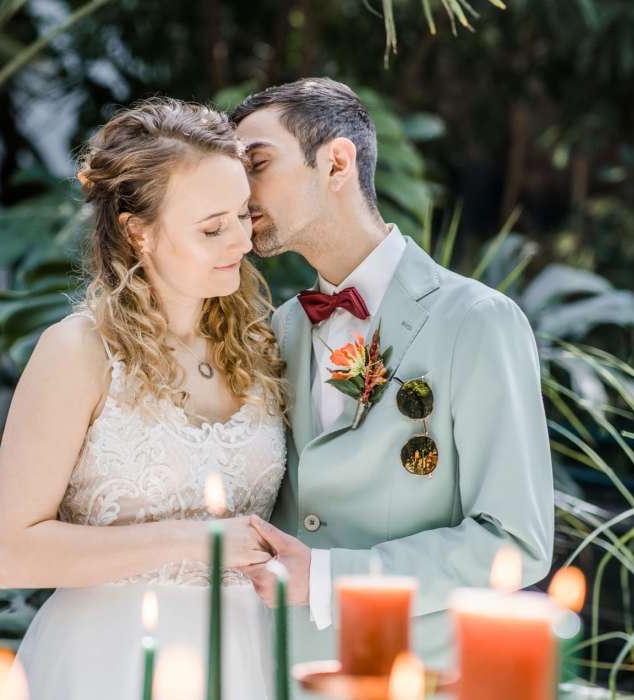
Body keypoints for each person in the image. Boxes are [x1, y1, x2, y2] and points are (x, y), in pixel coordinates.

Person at [229, 77, 555, 689]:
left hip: (420, 675)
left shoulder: (477, 321)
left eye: (259, 164)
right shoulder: (278, 329)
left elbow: (513, 541)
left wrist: (328, 577)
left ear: (337, 162)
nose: (240, 192)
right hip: (286, 675)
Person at [0, 97, 288, 699]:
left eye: (242, 216)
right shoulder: (79, 352)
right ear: (137, 231)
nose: (241, 241)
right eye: (211, 228)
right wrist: (197, 542)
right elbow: (11, 553)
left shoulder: (261, 347)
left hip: (244, 659)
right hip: (109, 661)